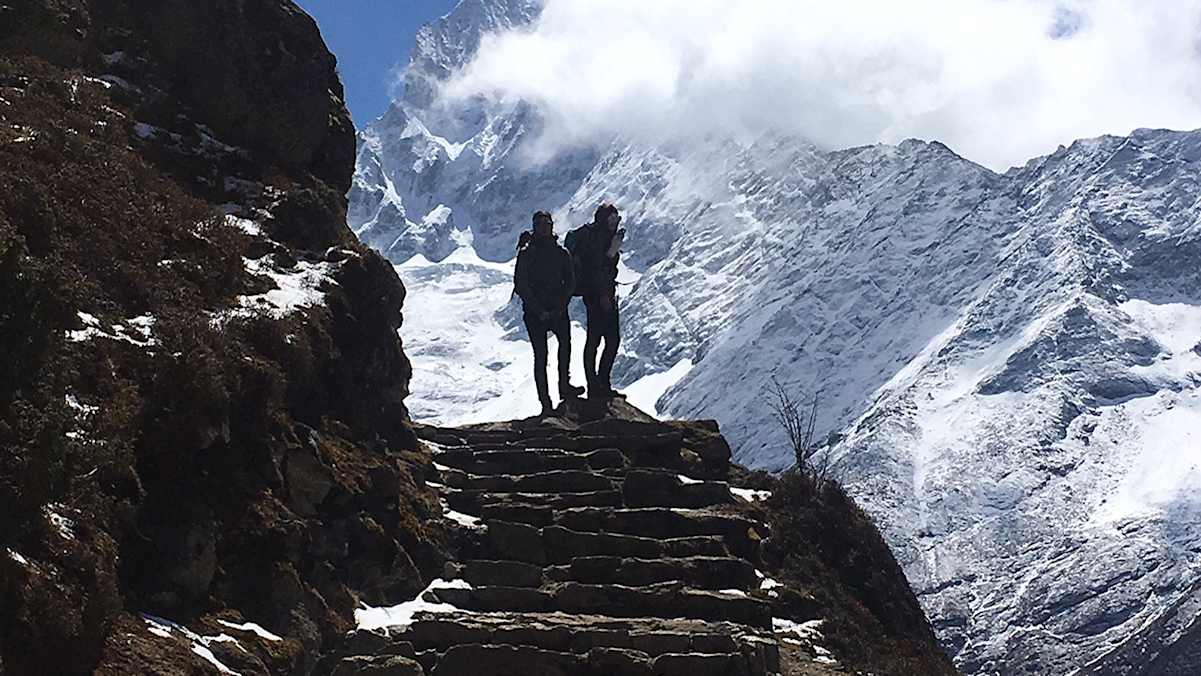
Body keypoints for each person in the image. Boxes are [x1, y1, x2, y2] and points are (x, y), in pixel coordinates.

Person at [514, 210, 584, 416]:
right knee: (541, 357)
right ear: (535, 227)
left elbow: (570, 282)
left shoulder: (560, 252)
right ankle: (546, 403)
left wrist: (560, 306)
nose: (545, 228)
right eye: (541, 224)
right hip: (536, 313)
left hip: (556, 309)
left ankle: (565, 387)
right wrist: (539, 310)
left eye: (548, 224)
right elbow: (521, 284)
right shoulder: (528, 252)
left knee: (565, 346)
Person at [570, 203, 624, 399]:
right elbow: (596, 269)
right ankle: (597, 385)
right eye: (612, 219)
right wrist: (602, 296)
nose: (615, 223)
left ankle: (599, 384)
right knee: (600, 340)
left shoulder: (606, 237)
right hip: (597, 295)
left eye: (616, 219)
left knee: (605, 340)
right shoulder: (597, 238)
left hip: (602, 294)